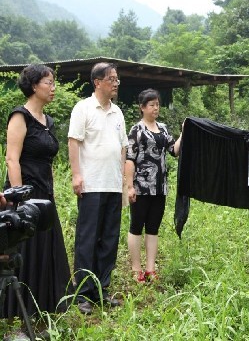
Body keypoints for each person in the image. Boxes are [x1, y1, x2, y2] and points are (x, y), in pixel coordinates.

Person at [2, 65, 71, 324]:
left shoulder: (47, 121)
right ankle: (18, 315)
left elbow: (48, 161)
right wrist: (20, 201)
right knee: (25, 251)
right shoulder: (20, 116)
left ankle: (44, 306)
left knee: (45, 248)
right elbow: (11, 159)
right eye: (48, 82)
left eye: (54, 82)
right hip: (24, 195)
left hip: (45, 194)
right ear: (34, 86)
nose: (53, 87)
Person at [68, 62, 128, 315]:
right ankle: (82, 293)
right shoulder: (83, 108)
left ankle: (101, 288)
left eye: (116, 79)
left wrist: (124, 180)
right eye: (111, 79)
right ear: (97, 82)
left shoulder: (118, 113)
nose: (116, 83)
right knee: (87, 239)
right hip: (91, 184)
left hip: (113, 184)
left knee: (110, 239)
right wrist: (76, 175)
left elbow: (123, 147)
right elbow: (74, 142)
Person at [125, 89, 182, 283]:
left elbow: (174, 151)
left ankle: (150, 269)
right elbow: (130, 159)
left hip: (160, 187)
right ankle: (136, 269)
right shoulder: (136, 130)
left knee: (153, 227)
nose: (155, 108)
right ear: (142, 107)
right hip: (141, 186)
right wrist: (130, 186)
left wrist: (184, 132)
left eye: (157, 104)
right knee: (136, 226)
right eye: (151, 105)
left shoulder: (164, 129)